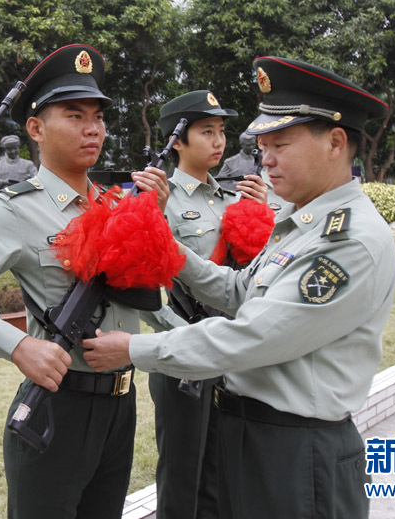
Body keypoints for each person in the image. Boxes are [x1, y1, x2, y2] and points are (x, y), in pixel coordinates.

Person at [83, 56, 395, 519]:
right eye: (263, 146)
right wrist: (171, 253)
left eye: (280, 145)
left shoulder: (346, 241)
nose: (266, 159)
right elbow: (238, 289)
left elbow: (255, 335)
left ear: (335, 142)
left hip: (295, 451)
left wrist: (133, 349)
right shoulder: (302, 223)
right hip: (252, 436)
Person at [0, 44, 172, 519]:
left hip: (121, 405)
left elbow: (146, 299)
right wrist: (17, 346)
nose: (92, 128)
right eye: (75, 115)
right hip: (57, 406)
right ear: (36, 129)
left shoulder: (116, 205)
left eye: (98, 116)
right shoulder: (12, 211)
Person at [146, 90, 267, 519]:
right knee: (183, 474)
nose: (219, 141)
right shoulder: (162, 201)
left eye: (221, 132)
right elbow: (144, 286)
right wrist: (177, 335)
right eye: (206, 132)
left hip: (228, 347)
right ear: (177, 141)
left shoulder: (233, 198)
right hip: (184, 347)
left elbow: (251, 275)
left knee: (221, 467)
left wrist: (260, 213)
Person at [0, 134, 37, 198]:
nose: (13, 151)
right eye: (9, 149)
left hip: (24, 198)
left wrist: (29, 181)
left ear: (18, 148)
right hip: (4, 199)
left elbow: (37, 181)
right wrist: (3, 182)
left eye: (15, 148)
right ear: (5, 150)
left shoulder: (28, 164)